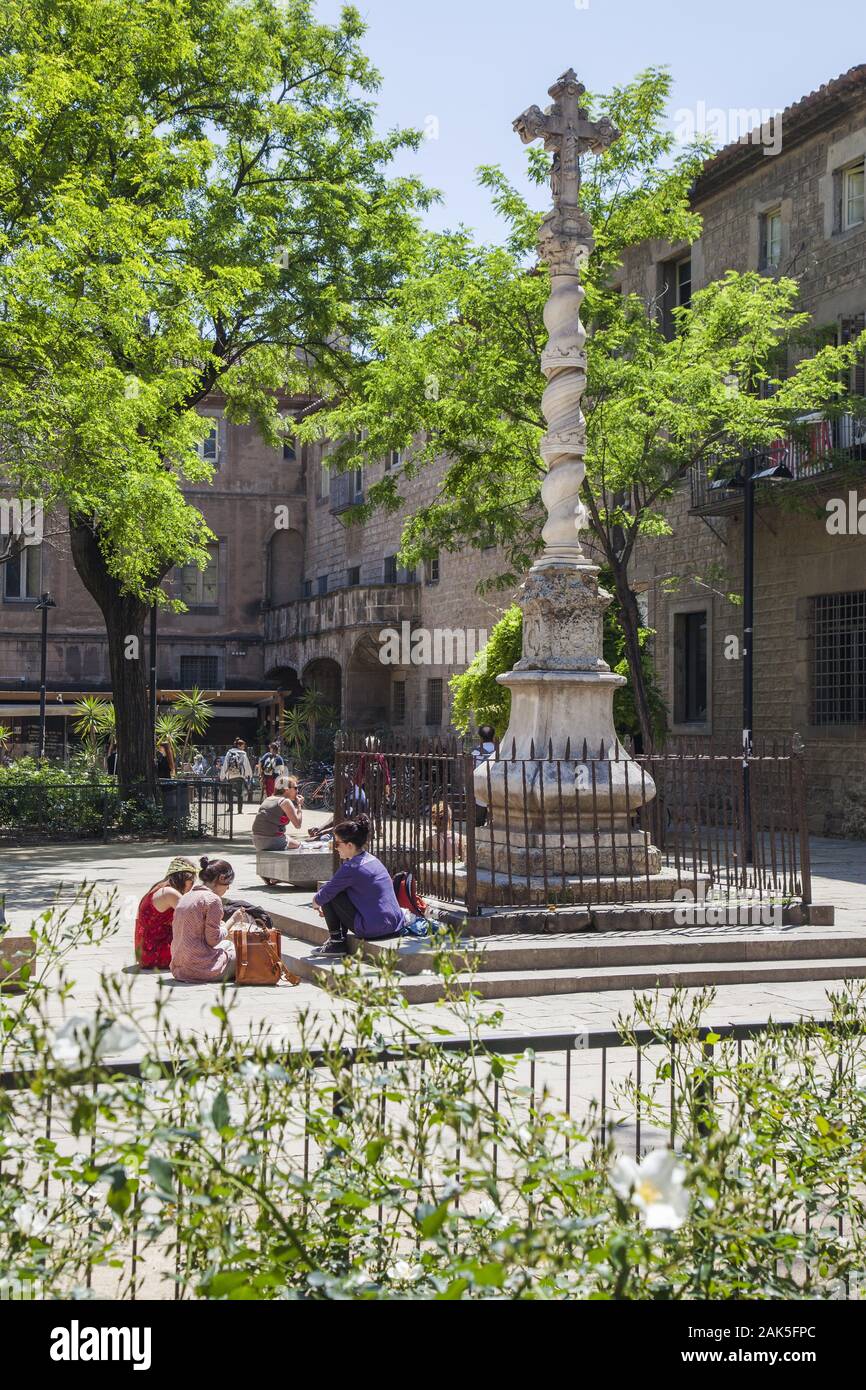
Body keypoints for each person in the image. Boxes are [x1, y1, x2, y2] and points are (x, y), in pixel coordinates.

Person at [309, 813, 403, 958]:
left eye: (337, 843)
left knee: (327, 892)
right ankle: (337, 940)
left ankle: (336, 942)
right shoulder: (372, 859)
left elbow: (323, 896)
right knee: (333, 890)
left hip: (374, 928)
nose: (336, 848)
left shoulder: (351, 867)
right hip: (395, 924)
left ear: (350, 845)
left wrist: (316, 904)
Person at [170, 857, 244, 983]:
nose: (228, 889)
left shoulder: (186, 896)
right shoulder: (213, 899)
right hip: (201, 970)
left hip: (180, 969)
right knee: (243, 953)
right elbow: (213, 940)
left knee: (227, 945)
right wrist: (233, 920)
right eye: (228, 884)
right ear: (221, 878)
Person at [133, 857, 197, 970]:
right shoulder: (169, 893)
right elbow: (192, 918)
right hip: (157, 953)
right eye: (191, 882)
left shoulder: (158, 887)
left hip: (145, 953)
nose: (191, 887)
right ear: (183, 878)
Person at [251, 774, 305, 852]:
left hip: (257, 840)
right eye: (295, 788)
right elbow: (298, 825)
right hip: (271, 841)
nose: (297, 791)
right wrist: (299, 805)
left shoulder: (268, 799)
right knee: (299, 847)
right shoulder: (285, 802)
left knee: (294, 841)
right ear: (286, 789)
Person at [471, 724, 497, 828]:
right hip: (497, 790)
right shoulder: (501, 750)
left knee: (478, 821)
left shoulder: (475, 753)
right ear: (493, 736)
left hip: (480, 792)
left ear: (480, 738)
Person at [220, 738, 253, 811]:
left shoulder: (229, 752)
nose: (244, 748)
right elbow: (246, 764)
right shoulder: (243, 753)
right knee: (240, 792)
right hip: (240, 775)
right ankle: (239, 810)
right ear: (239, 746)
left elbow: (225, 763)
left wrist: (222, 775)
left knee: (229, 792)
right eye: (243, 746)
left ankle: (231, 808)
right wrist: (249, 774)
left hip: (230, 775)